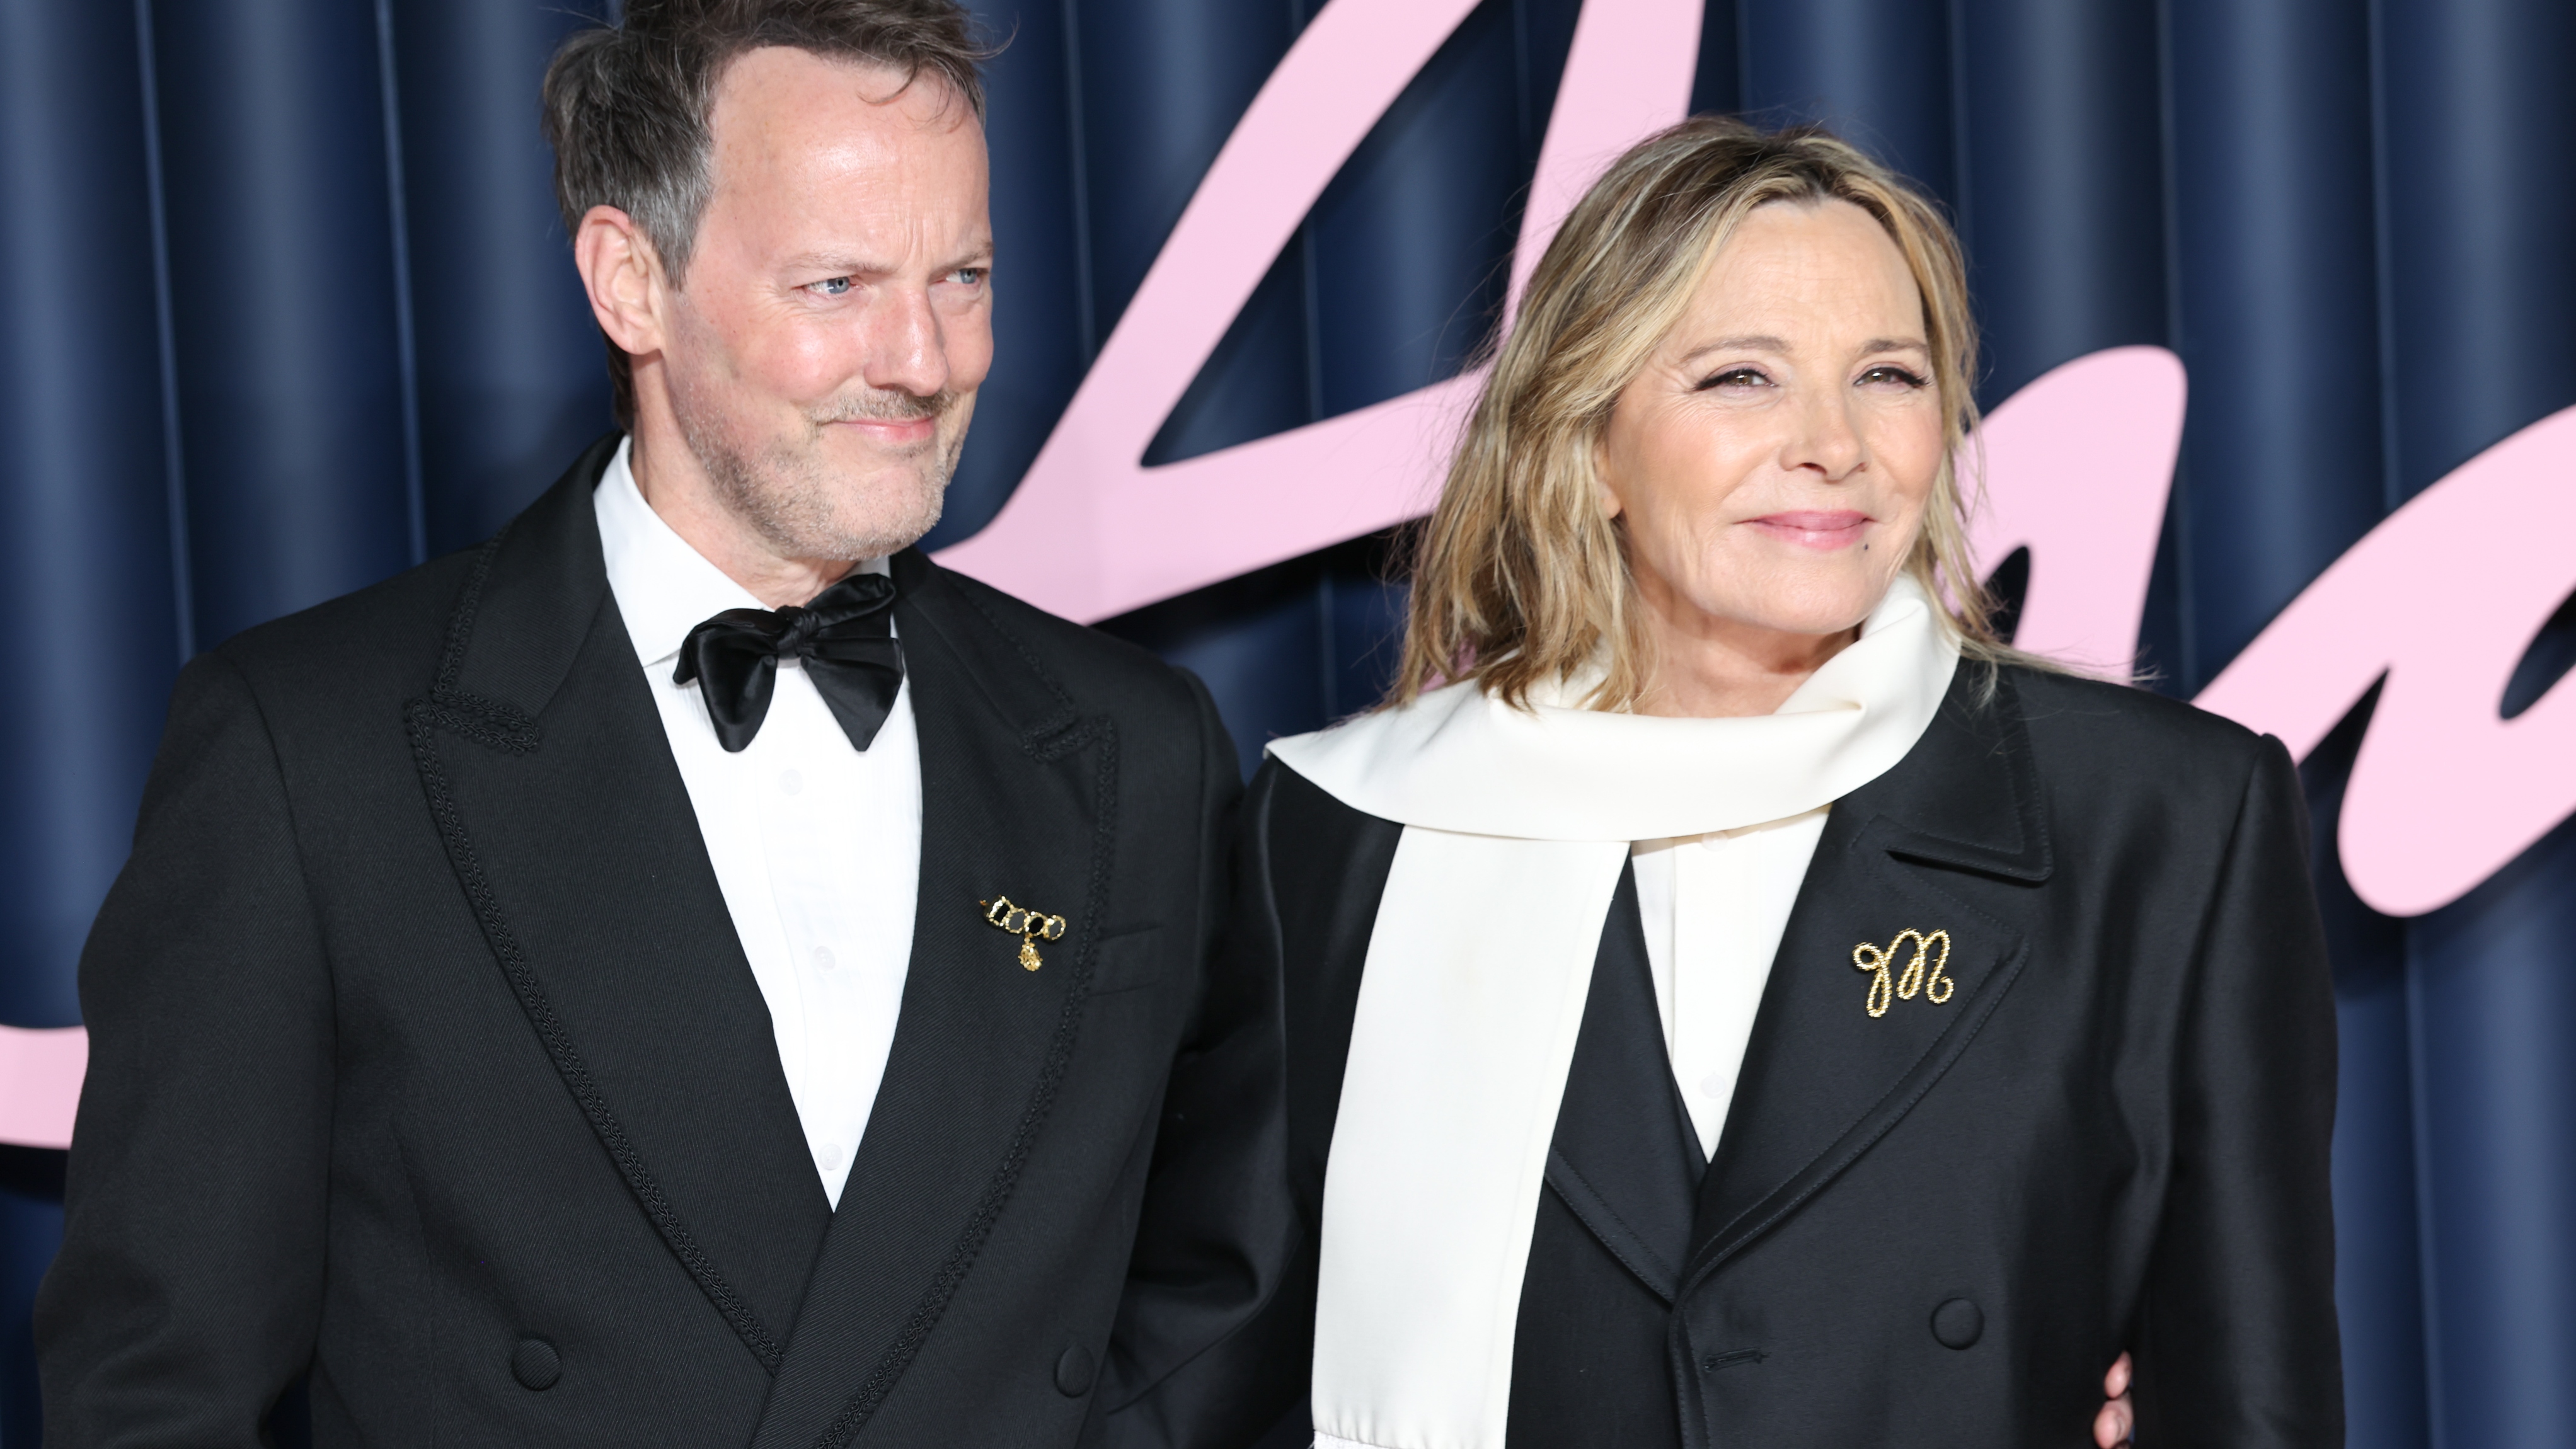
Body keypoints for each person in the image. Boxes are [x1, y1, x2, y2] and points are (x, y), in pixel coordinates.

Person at [35, 3, 1285, 1445]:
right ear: (632, 282)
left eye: (964, 276)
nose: (923, 358)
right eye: (835, 284)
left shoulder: (1137, 746)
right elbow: (158, 1391)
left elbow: (1216, 1307)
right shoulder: (312, 756)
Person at [1225, 118, 2340, 1448]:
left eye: (1887, 375)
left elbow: (2250, 1393)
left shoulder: (2166, 821)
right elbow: (1209, 1367)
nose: (1833, 443)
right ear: (1587, 440)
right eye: (1742, 377)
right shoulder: (1348, 827)